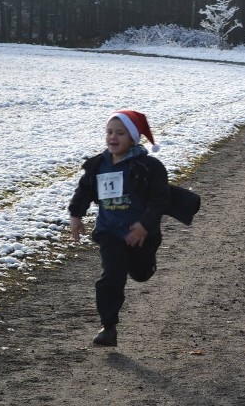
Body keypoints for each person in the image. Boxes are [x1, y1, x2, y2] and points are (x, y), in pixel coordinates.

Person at [68, 110, 171, 347]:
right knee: (110, 277)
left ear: (133, 138)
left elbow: (159, 200)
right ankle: (108, 327)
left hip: (142, 235)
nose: (113, 137)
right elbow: (84, 190)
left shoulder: (149, 166)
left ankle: (146, 264)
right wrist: (76, 215)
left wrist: (145, 226)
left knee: (140, 273)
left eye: (120, 133)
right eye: (110, 132)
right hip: (110, 232)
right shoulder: (98, 165)